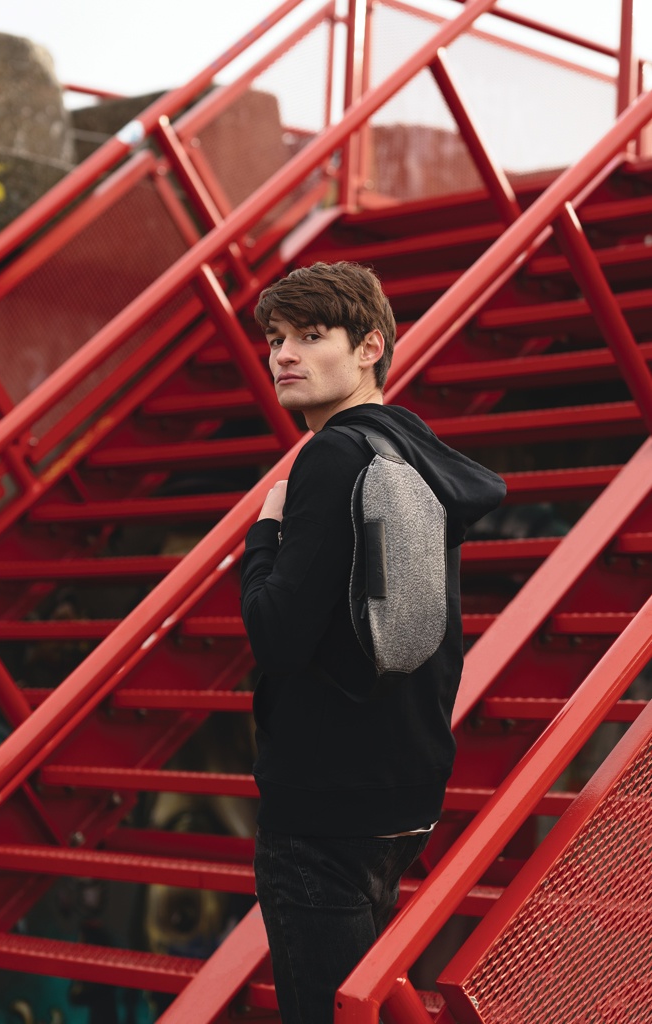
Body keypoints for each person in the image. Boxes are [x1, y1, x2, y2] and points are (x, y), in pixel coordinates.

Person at [240, 261, 506, 1023]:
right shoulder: (412, 452)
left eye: (310, 335)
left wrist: (263, 533)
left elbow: (276, 635)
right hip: (404, 789)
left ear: (369, 348)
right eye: (276, 339)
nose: (284, 355)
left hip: (322, 801)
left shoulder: (331, 455)